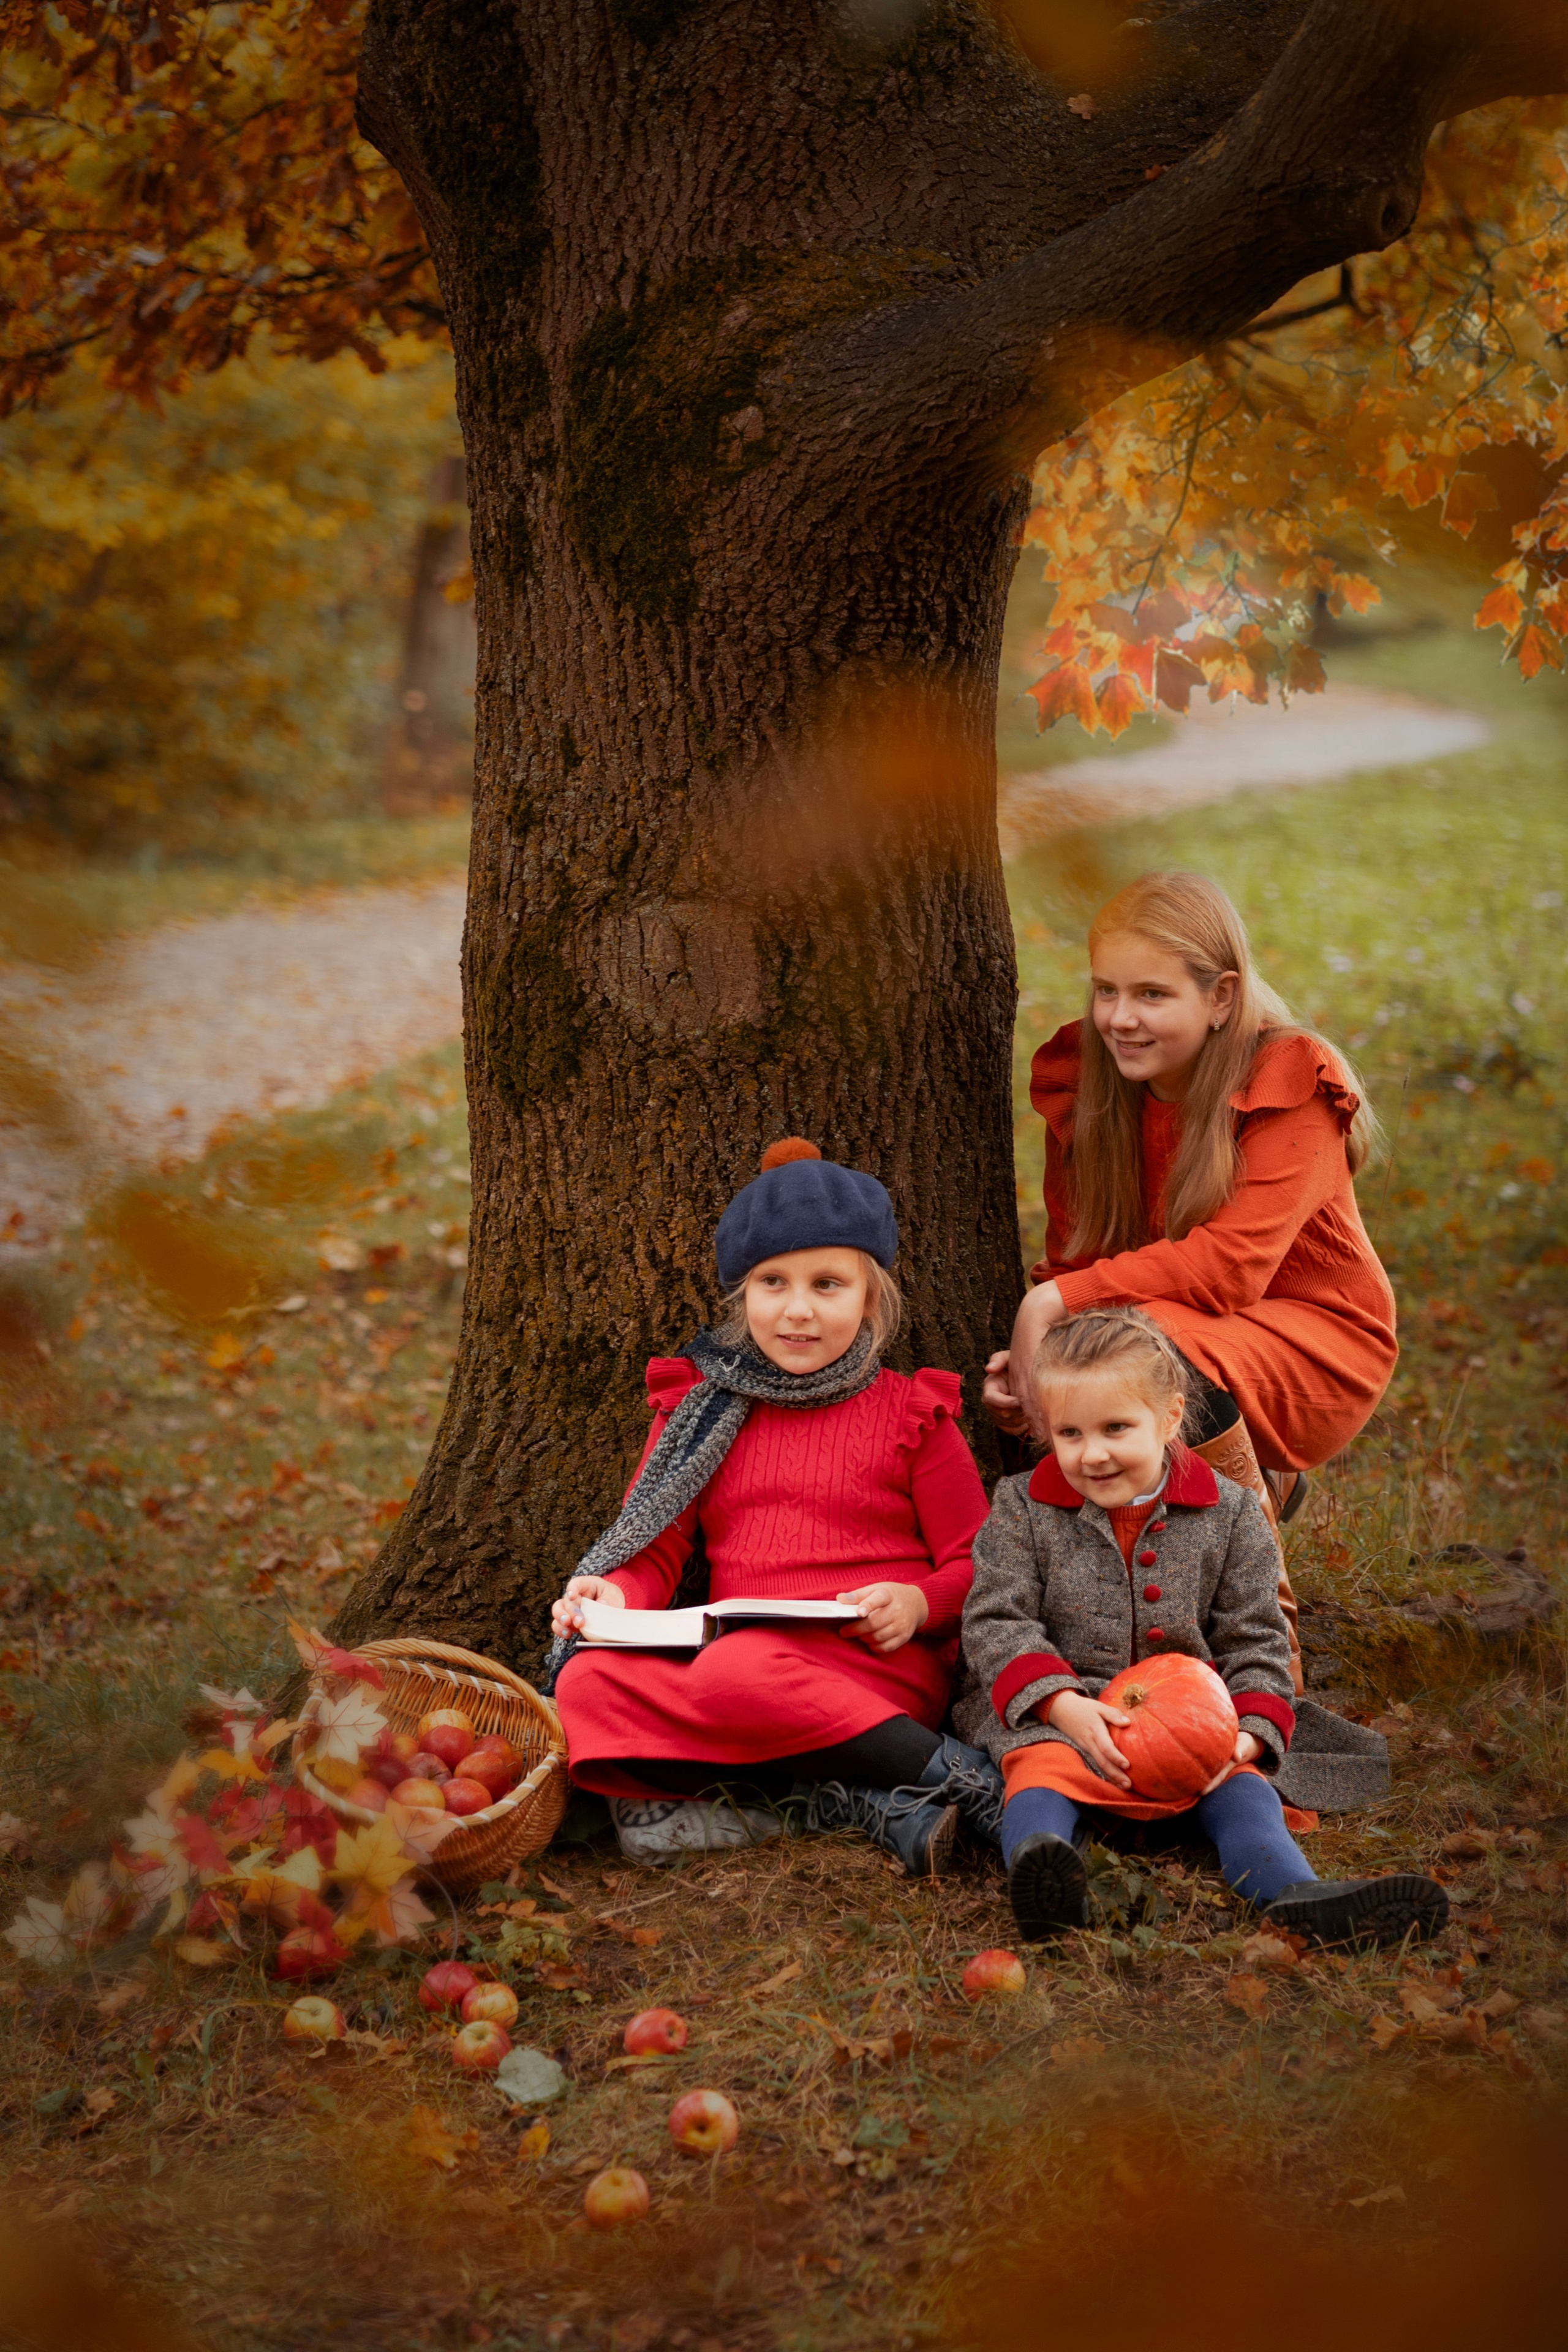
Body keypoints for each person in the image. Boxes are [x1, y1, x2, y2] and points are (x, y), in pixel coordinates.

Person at [983, 869, 1398, 1686]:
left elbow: (1231, 1267)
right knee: (1088, 1374)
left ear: (1220, 997)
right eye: (1107, 990)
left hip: (1313, 1340)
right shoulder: (1094, 1082)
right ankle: (1084, 1657)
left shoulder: (1288, 1083)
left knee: (1148, 1347)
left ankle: (1270, 1675)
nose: (1120, 1018)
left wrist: (1051, 1307)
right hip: (1168, 1323)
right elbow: (1081, 1259)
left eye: (1151, 994)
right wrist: (1039, 1367)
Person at [549, 1139, 1005, 1873]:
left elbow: (979, 1563)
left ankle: (962, 1777)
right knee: (585, 1680)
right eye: (772, 1283)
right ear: (741, 1294)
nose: (797, 1310)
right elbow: (656, 1549)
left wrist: (918, 1605)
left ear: (871, 1297)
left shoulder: (913, 1415)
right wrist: (613, 1592)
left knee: (740, 1673)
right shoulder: (697, 1414)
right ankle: (850, 1804)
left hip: (871, 1663)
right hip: (739, 1663)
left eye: (827, 1285)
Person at [958, 1308, 1447, 1947]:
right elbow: (996, 1618)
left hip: (1194, 1725)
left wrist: (1246, 1736)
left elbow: (1257, 1638)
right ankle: (1046, 1875)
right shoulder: (1022, 1507)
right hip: (1066, 1710)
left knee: (1243, 1794)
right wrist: (1062, 1706)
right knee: (1039, 1774)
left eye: (1115, 1428)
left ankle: (1294, 1896)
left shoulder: (1234, 1512)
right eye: (1070, 1433)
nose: (1093, 1453)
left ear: (1168, 1417)